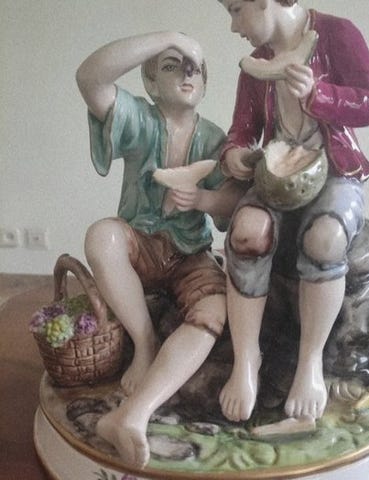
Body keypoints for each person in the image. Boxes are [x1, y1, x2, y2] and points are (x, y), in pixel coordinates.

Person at [76, 32, 242, 467]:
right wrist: (170, 39)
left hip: (191, 254)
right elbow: (90, 77)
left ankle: (134, 413)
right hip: (140, 244)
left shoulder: (214, 139)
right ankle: (145, 343)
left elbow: (232, 201)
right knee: (102, 235)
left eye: (195, 68)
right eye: (172, 66)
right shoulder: (139, 119)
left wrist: (203, 199)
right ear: (150, 82)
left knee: (215, 310)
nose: (187, 73)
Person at [217, 0, 369, 422]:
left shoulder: (337, 34)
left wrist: (319, 94)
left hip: (335, 171)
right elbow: (243, 129)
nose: (234, 26)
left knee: (325, 239)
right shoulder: (255, 65)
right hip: (275, 173)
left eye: (237, 9)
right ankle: (246, 360)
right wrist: (235, 153)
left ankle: (310, 361)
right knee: (247, 231)